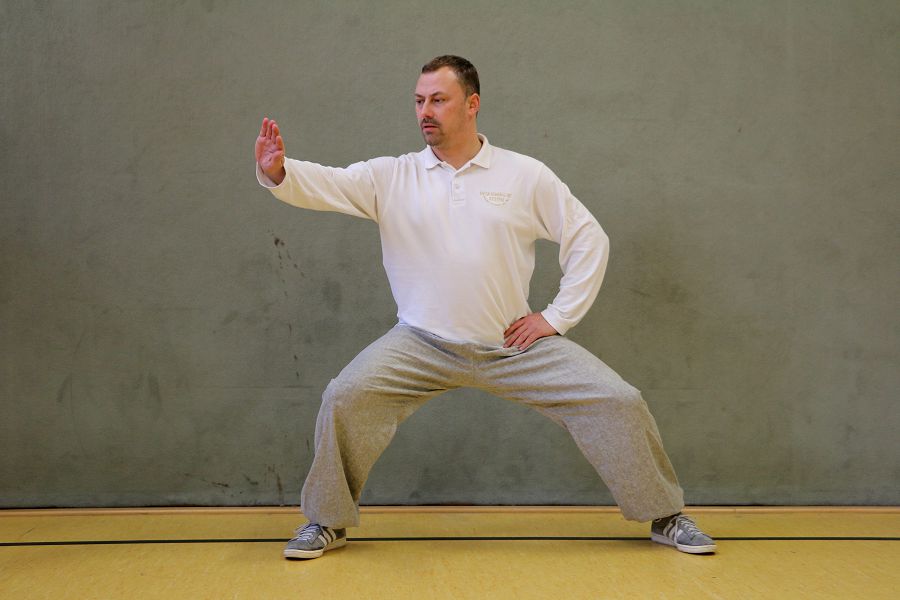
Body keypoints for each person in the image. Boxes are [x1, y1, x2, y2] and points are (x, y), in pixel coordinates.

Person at [254, 55, 716, 559]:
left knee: (618, 400)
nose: (425, 111)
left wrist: (555, 317)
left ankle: (665, 515)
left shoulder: (524, 175)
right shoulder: (392, 176)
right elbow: (328, 183)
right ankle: (326, 521)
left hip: (511, 345)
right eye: (419, 101)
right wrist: (280, 171)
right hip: (419, 343)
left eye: (438, 100)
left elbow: (588, 237)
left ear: (472, 104)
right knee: (345, 396)